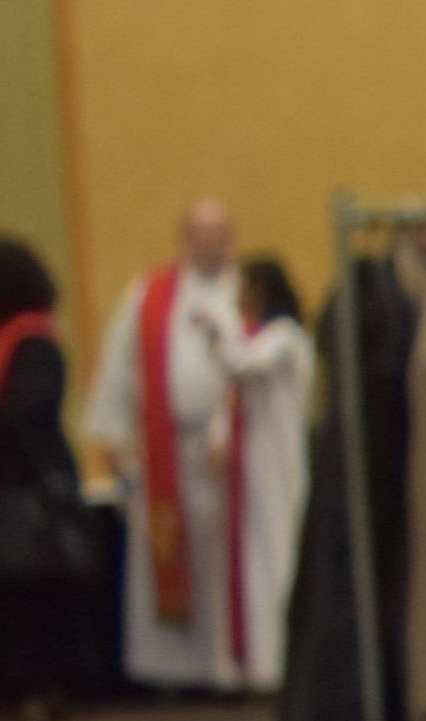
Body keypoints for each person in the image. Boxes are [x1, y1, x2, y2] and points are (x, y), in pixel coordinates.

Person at [88, 195, 273, 692]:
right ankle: (172, 670)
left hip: (235, 450)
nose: (211, 244)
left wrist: (226, 430)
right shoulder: (149, 295)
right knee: (174, 552)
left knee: (226, 558)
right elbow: (122, 367)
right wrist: (116, 438)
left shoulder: (251, 294)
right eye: (201, 234)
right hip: (167, 448)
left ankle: (233, 666)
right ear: (184, 239)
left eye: (220, 234)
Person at [0, 234, 100, 721]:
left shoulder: (34, 337)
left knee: (29, 589)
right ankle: (2, 682)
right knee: (1, 591)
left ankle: (40, 685)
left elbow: (34, 405)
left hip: (24, 481)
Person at [228, 252, 319, 684]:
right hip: (264, 462)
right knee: (264, 555)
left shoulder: (284, 336)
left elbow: (242, 364)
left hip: (282, 463)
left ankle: (280, 662)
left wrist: (213, 330)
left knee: (278, 553)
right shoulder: (277, 336)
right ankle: (267, 662)